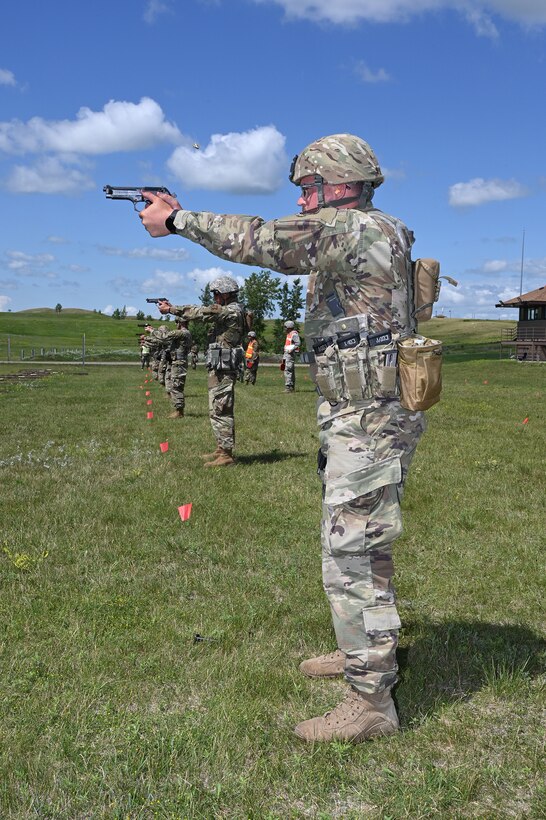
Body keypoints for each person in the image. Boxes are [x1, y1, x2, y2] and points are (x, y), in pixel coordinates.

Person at [139, 134, 427, 742]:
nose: (299, 202)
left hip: (369, 418)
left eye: (307, 189)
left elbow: (259, 240)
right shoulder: (369, 231)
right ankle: (364, 658)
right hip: (361, 413)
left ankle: (372, 701)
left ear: (339, 187)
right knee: (358, 544)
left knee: (351, 552)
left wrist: (178, 218)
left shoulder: (352, 230)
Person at [153, 276, 245, 467]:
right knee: (216, 408)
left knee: (221, 408)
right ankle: (221, 448)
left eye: (216, 294)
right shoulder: (229, 310)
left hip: (224, 369)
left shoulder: (231, 311)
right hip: (219, 367)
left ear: (226, 294)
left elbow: (200, 312)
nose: (214, 297)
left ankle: (227, 454)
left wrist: (171, 309)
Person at [146, 319, 192, 418]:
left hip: (179, 362)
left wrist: (152, 331)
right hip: (178, 361)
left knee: (176, 386)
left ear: (180, 322)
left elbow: (164, 337)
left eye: (176, 322)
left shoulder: (181, 333)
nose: (175, 324)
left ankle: (179, 412)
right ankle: (178, 410)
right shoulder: (185, 333)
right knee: (175, 385)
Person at [282, 320, 300, 392]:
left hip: (289, 355)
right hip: (286, 354)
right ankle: (291, 387)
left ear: (289, 327)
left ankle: (288, 387)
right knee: (288, 370)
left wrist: (291, 349)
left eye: (285, 327)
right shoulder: (289, 334)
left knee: (288, 370)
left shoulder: (294, 334)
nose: (285, 328)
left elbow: (298, 343)